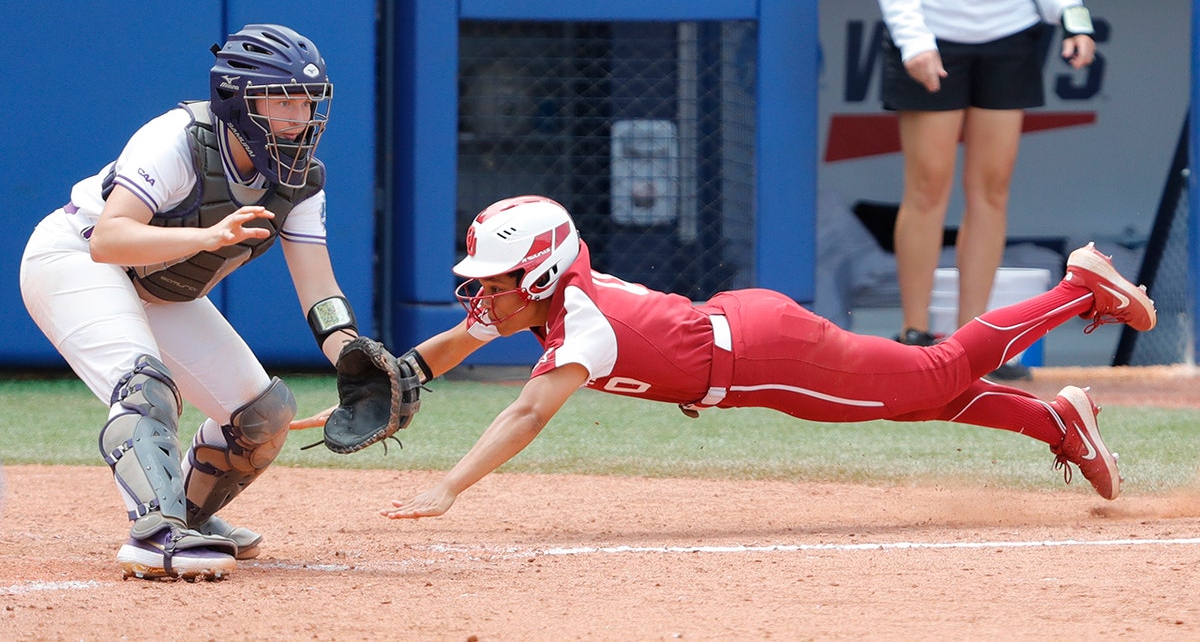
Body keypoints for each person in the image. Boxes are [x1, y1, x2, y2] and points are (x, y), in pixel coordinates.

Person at [378, 195, 1154, 522]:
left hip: (762, 355)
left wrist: (448, 486)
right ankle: (1059, 425)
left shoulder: (581, 324)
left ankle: (1080, 290)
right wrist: (401, 375)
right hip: (750, 345)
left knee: (934, 373)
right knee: (913, 394)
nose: (483, 295)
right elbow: (460, 341)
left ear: (539, 271)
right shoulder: (548, 296)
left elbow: (526, 412)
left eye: (495, 280)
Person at [19, 24, 363, 581]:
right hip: (76, 258)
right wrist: (205, 239)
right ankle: (155, 535)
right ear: (234, 100)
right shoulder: (177, 138)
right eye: (281, 99)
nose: (299, 117)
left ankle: (186, 515)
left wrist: (352, 356)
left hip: (159, 285)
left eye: (307, 100)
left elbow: (320, 290)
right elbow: (109, 239)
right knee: (145, 386)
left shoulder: (299, 179)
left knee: (263, 417)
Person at [870, 0, 1097, 380]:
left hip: (1011, 37)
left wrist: (1073, 19)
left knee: (992, 191)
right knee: (927, 188)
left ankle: (975, 341)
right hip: (930, 35)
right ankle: (914, 337)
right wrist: (914, 41)